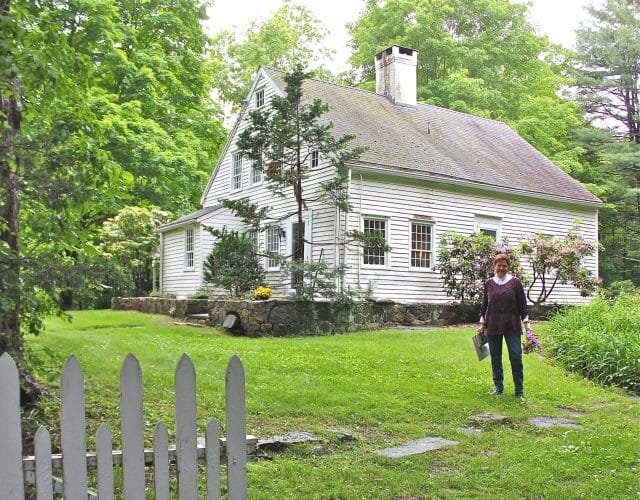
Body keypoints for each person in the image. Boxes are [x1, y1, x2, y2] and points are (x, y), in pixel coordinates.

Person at [478, 253, 529, 401]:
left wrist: (527, 324)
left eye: (504, 265)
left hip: (512, 325)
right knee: (495, 357)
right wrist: (482, 324)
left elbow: (523, 306)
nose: (501, 268)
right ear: (494, 266)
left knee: (515, 356)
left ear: (508, 267)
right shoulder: (489, 283)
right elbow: (484, 305)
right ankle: (498, 387)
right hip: (492, 324)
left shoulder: (515, 283)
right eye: (499, 265)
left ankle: (519, 391)